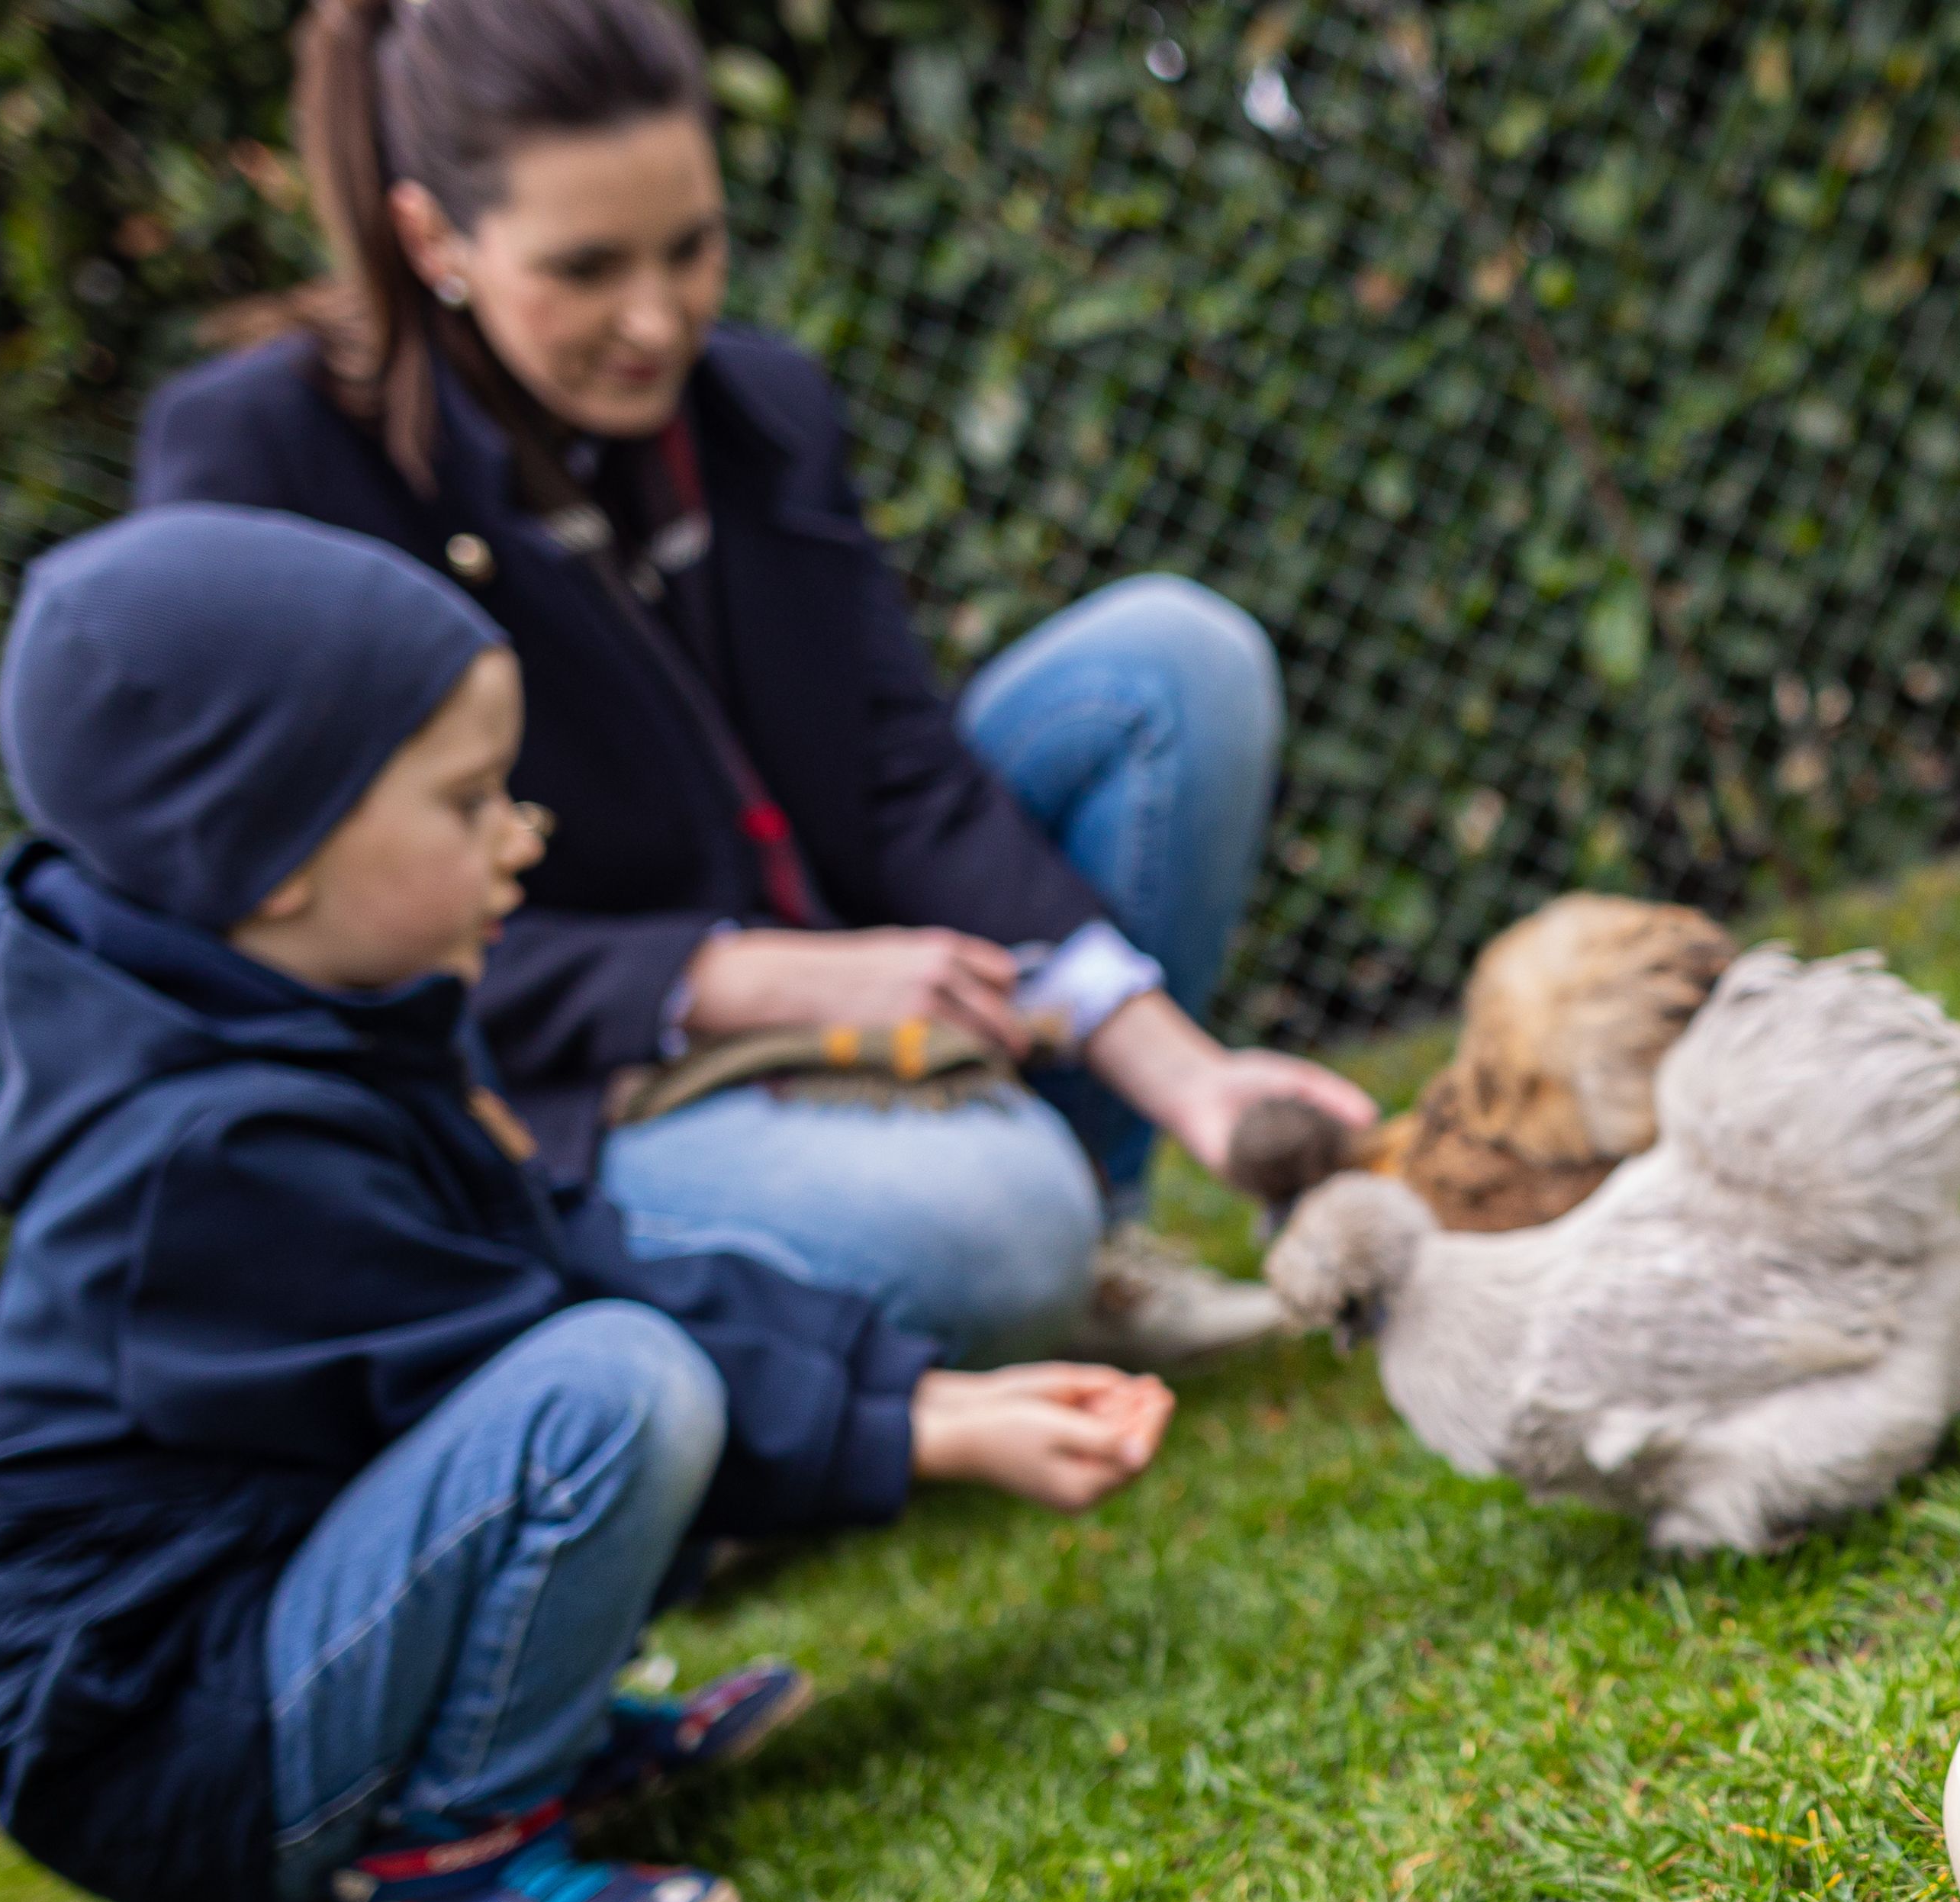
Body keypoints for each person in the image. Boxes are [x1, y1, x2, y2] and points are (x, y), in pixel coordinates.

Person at [0, 504, 1176, 1902]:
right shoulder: (205, 1152)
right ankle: (446, 1886)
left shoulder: (331, 1014)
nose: (521, 834)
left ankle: (532, 1738)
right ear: (272, 864)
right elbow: (538, 1335)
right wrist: (921, 1432)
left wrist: (912, 1382)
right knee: (611, 1391)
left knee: (621, 1346)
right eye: (467, 802)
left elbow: (578, 1246)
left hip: (267, 1643)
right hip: (178, 1745)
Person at [134, 0, 1373, 1371]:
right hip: (566, 1075)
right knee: (997, 1231)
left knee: (1173, 663)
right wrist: (734, 977)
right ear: (437, 241)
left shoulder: (764, 409)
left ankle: (1102, 1242)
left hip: (836, 963)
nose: (658, 320)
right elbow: (296, 937)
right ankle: (935, 1281)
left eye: (692, 246)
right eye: (588, 267)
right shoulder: (267, 461)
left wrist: (1182, 1072)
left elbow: (901, 772)